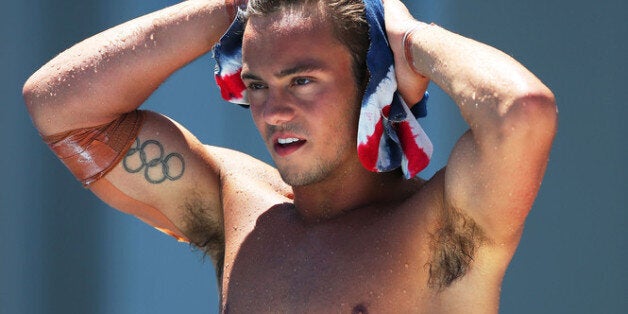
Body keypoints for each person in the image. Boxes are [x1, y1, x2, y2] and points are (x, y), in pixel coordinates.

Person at [22, 0, 557, 312]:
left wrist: (409, 38)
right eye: (256, 83)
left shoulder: (443, 227)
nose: (273, 111)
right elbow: (60, 107)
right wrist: (227, 10)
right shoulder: (238, 209)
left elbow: (522, 112)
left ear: (371, 80)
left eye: (302, 81)